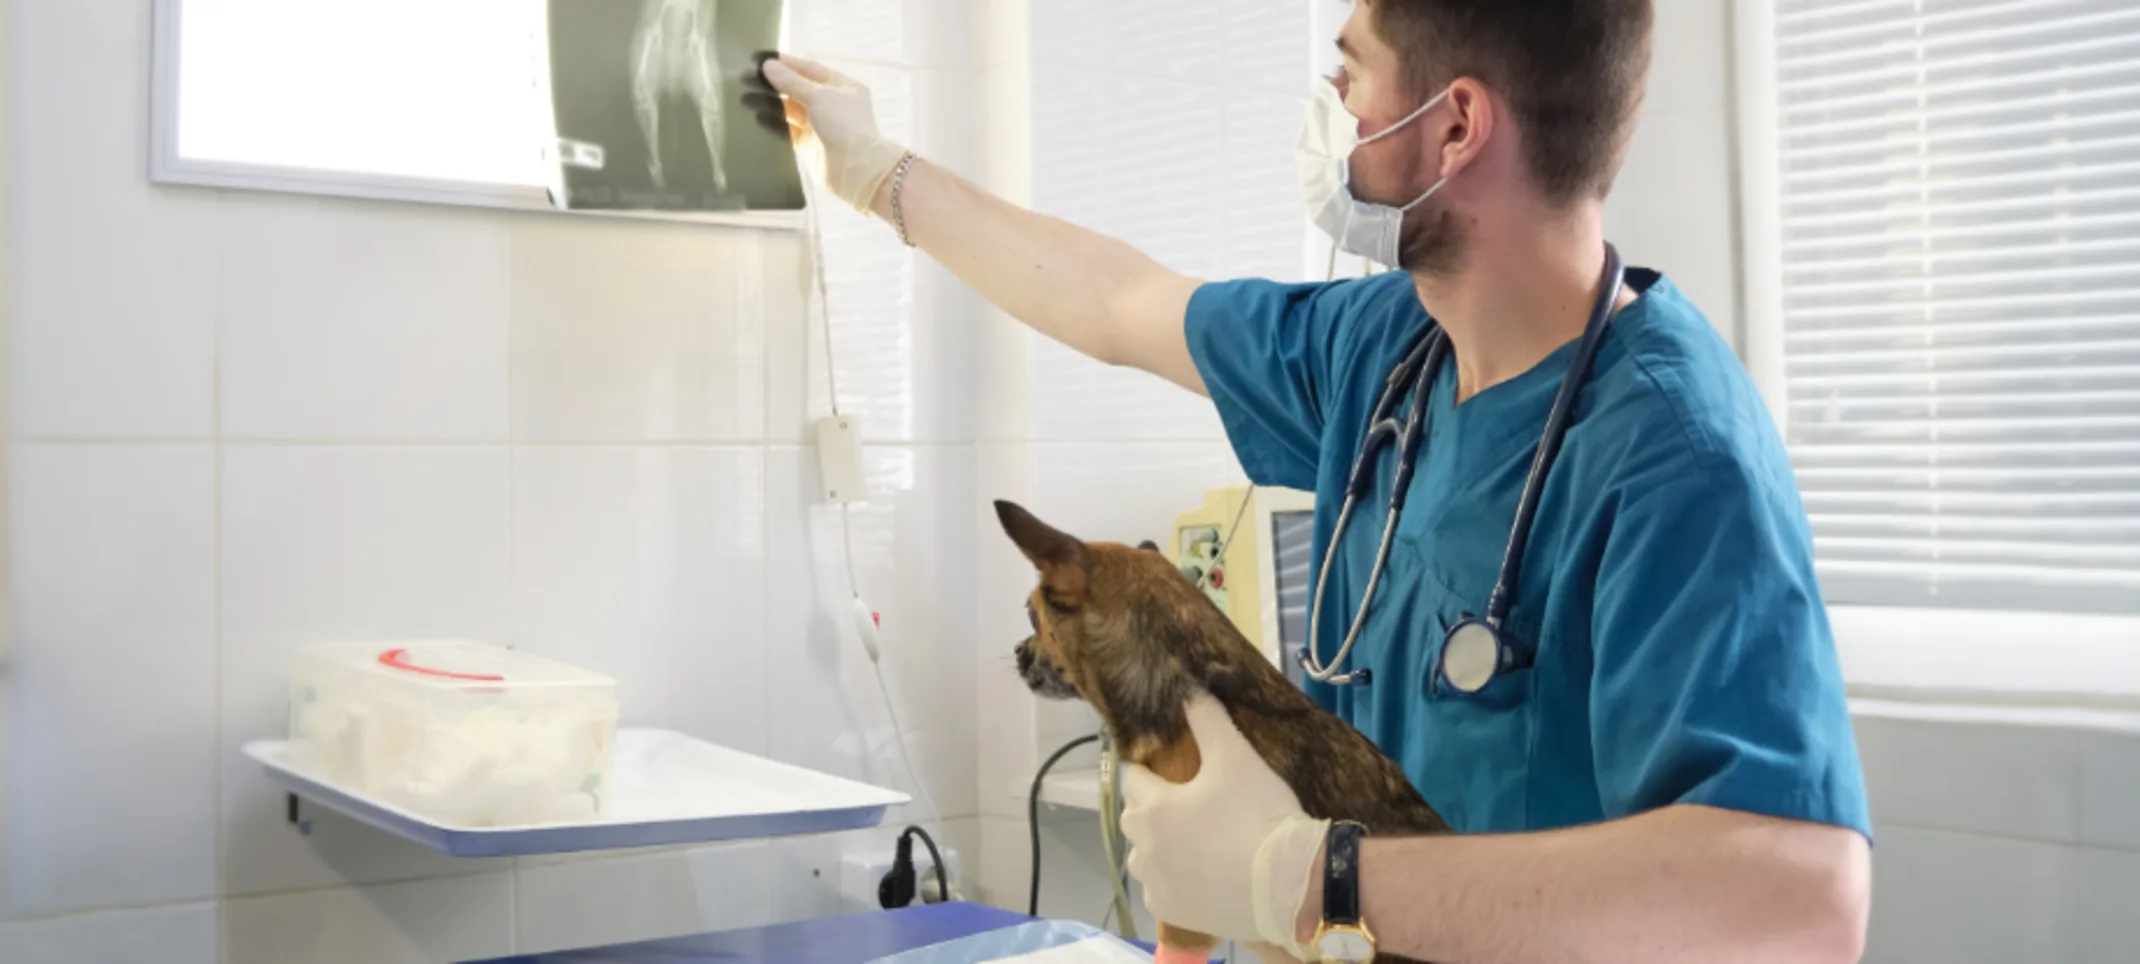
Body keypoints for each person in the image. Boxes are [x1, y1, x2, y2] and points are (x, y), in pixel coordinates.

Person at [764, 0, 1872, 960]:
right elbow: (1116, 302)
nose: (1330, 101)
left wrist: (1316, 877)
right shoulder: (1384, 349)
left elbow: (1803, 901)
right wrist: (879, 175)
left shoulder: (1673, 455)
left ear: (1455, 125)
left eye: (1352, 71)